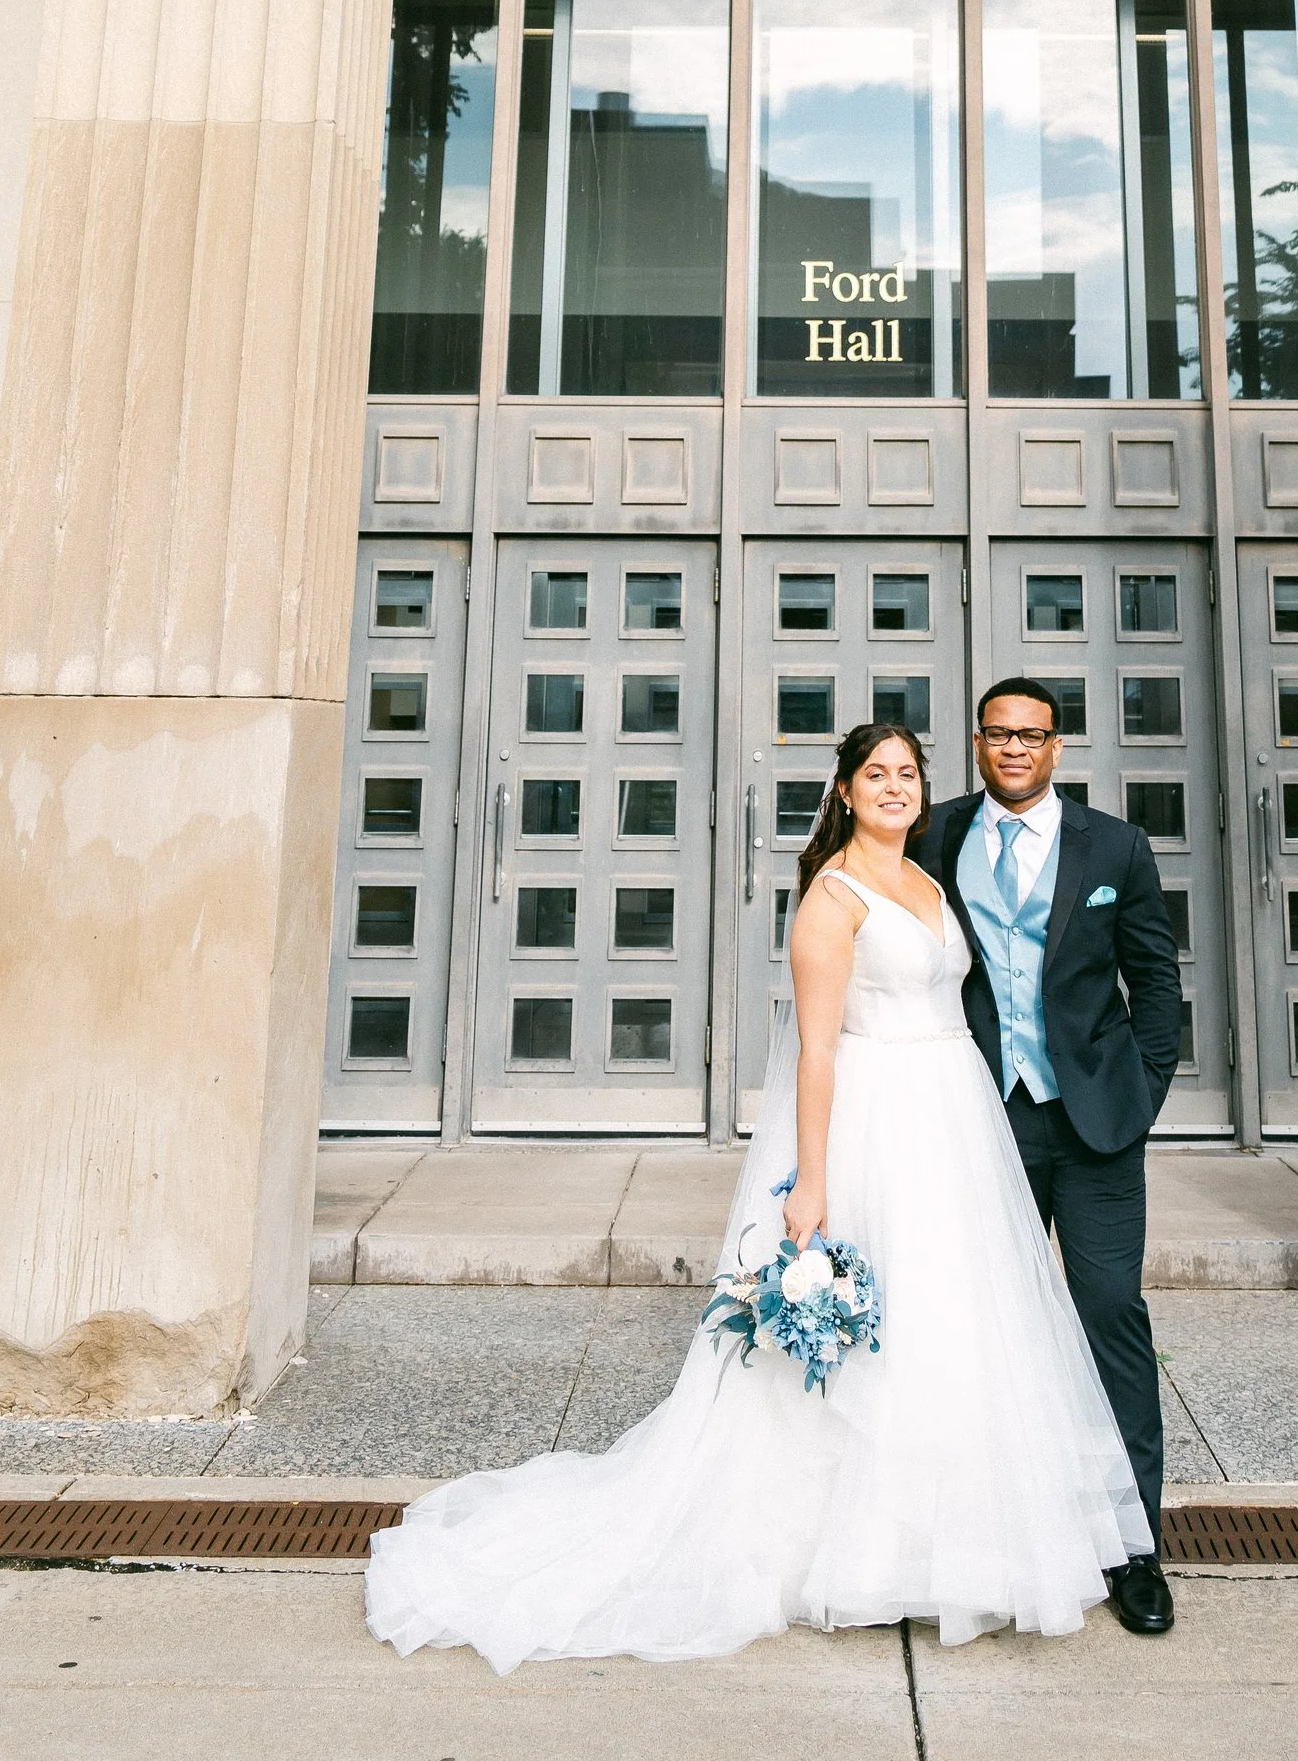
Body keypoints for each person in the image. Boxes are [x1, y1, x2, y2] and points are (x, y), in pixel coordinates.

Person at [364, 717, 1153, 1669]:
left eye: (908, 772)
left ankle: (960, 1538)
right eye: (877, 774)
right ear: (846, 792)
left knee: (957, 1329)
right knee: (882, 1342)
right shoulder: (832, 897)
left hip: (958, 1124)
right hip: (880, 1127)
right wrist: (810, 1183)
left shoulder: (931, 873)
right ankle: (862, 1548)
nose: (897, 787)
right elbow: (819, 1048)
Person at [914, 675, 1183, 1637]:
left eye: (1031, 735)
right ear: (978, 743)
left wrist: (1143, 1092)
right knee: (990, 1328)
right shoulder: (936, 835)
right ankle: (1002, 1536)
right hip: (987, 1119)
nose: (1014, 749)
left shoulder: (1116, 845)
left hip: (1098, 1123)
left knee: (1110, 1312)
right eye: (997, 734)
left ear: (1057, 747)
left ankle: (1133, 1547)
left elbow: (1156, 981)